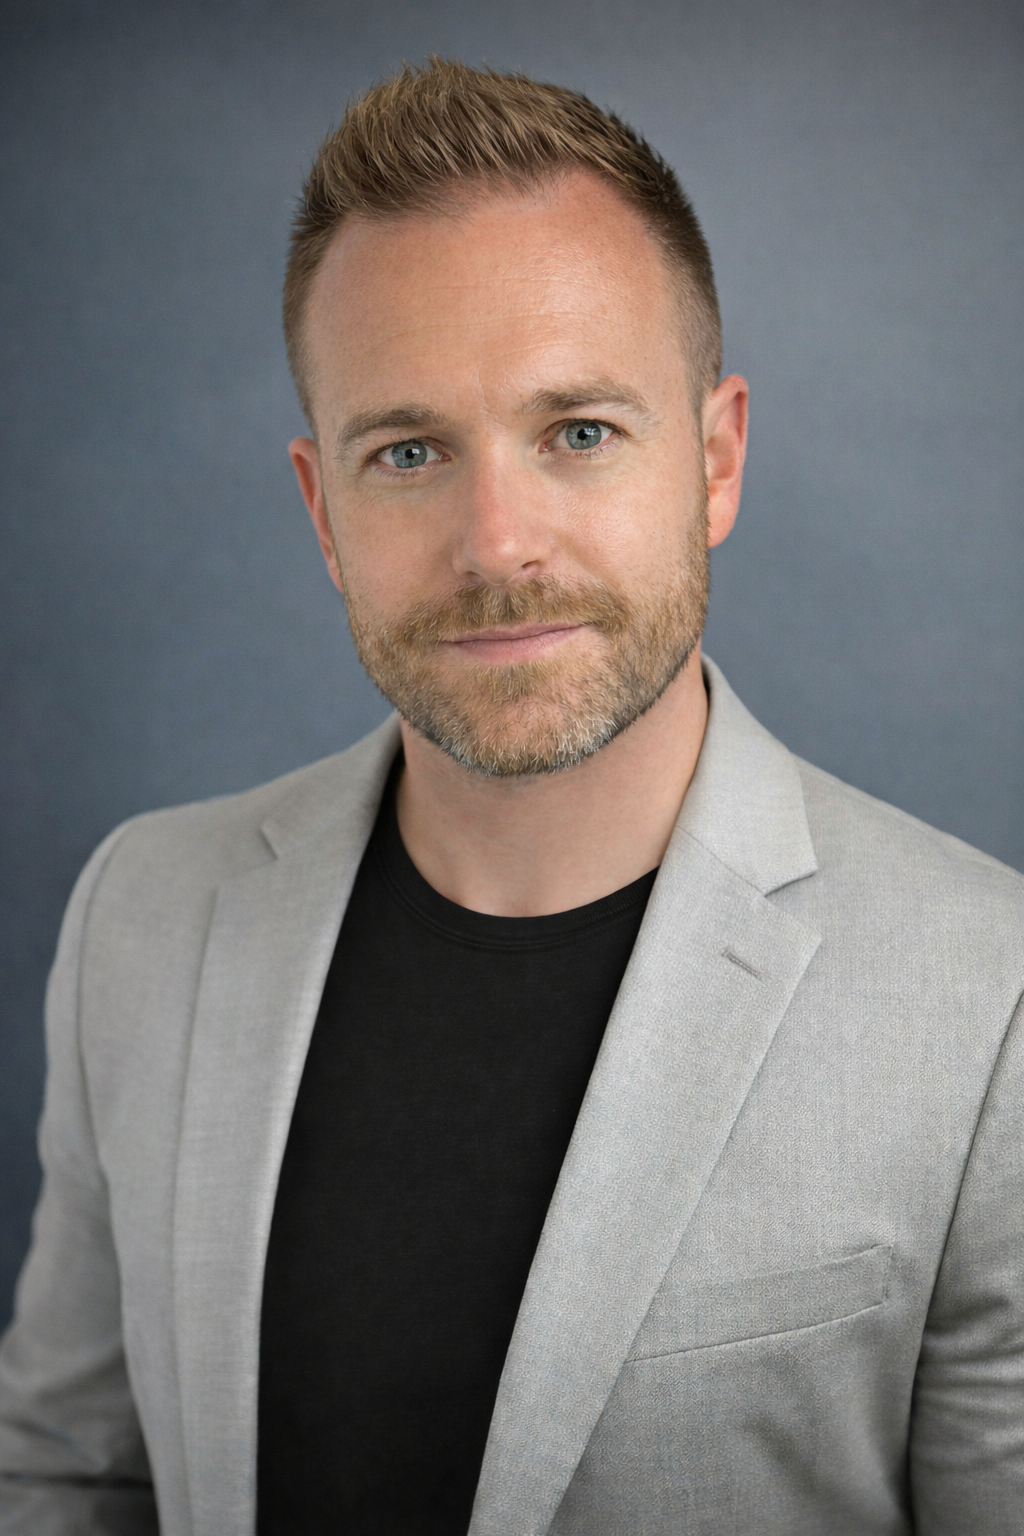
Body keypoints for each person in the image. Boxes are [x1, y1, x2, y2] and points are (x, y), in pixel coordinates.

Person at [1, 57, 1022, 1536]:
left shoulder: (986, 994)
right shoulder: (143, 918)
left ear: (718, 458)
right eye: (408, 453)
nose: (496, 542)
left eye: (580, 434)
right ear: (322, 512)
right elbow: (62, 1477)